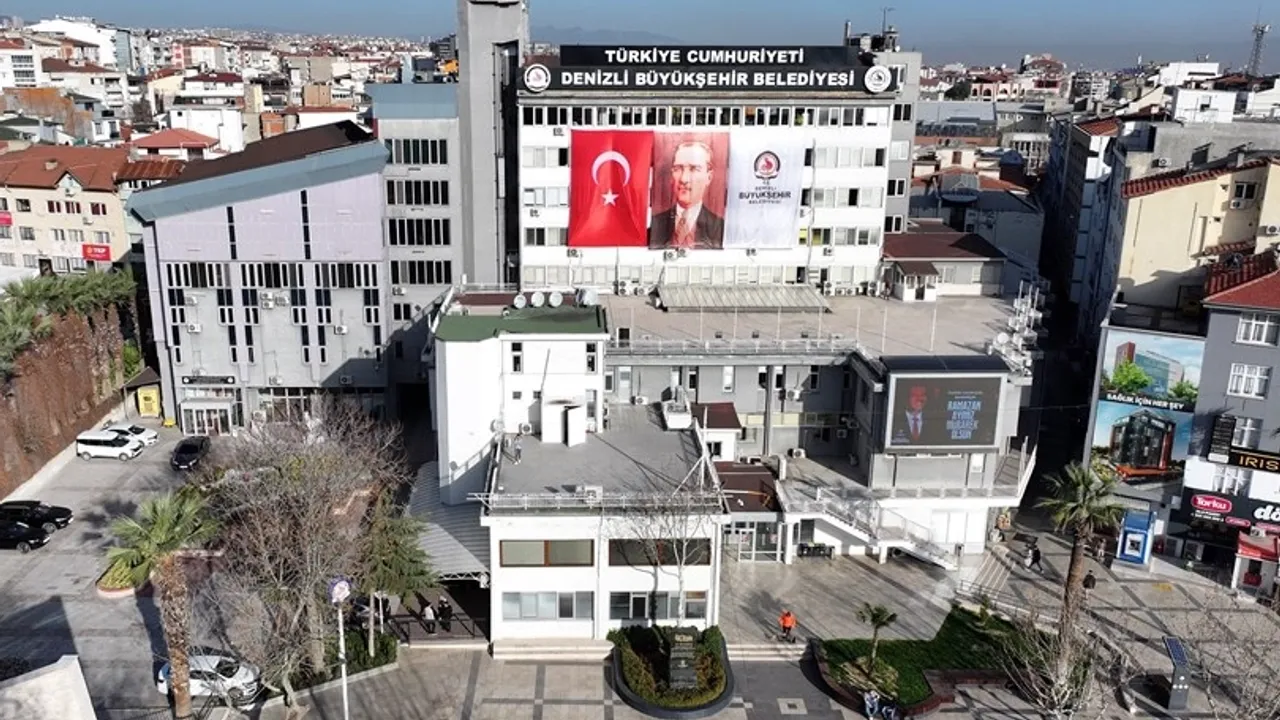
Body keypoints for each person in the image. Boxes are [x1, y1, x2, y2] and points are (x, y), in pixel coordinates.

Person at [648, 139, 725, 249]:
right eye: (678, 169)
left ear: (709, 177)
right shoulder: (655, 225)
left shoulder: (720, 228)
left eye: (694, 169)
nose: (684, 179)